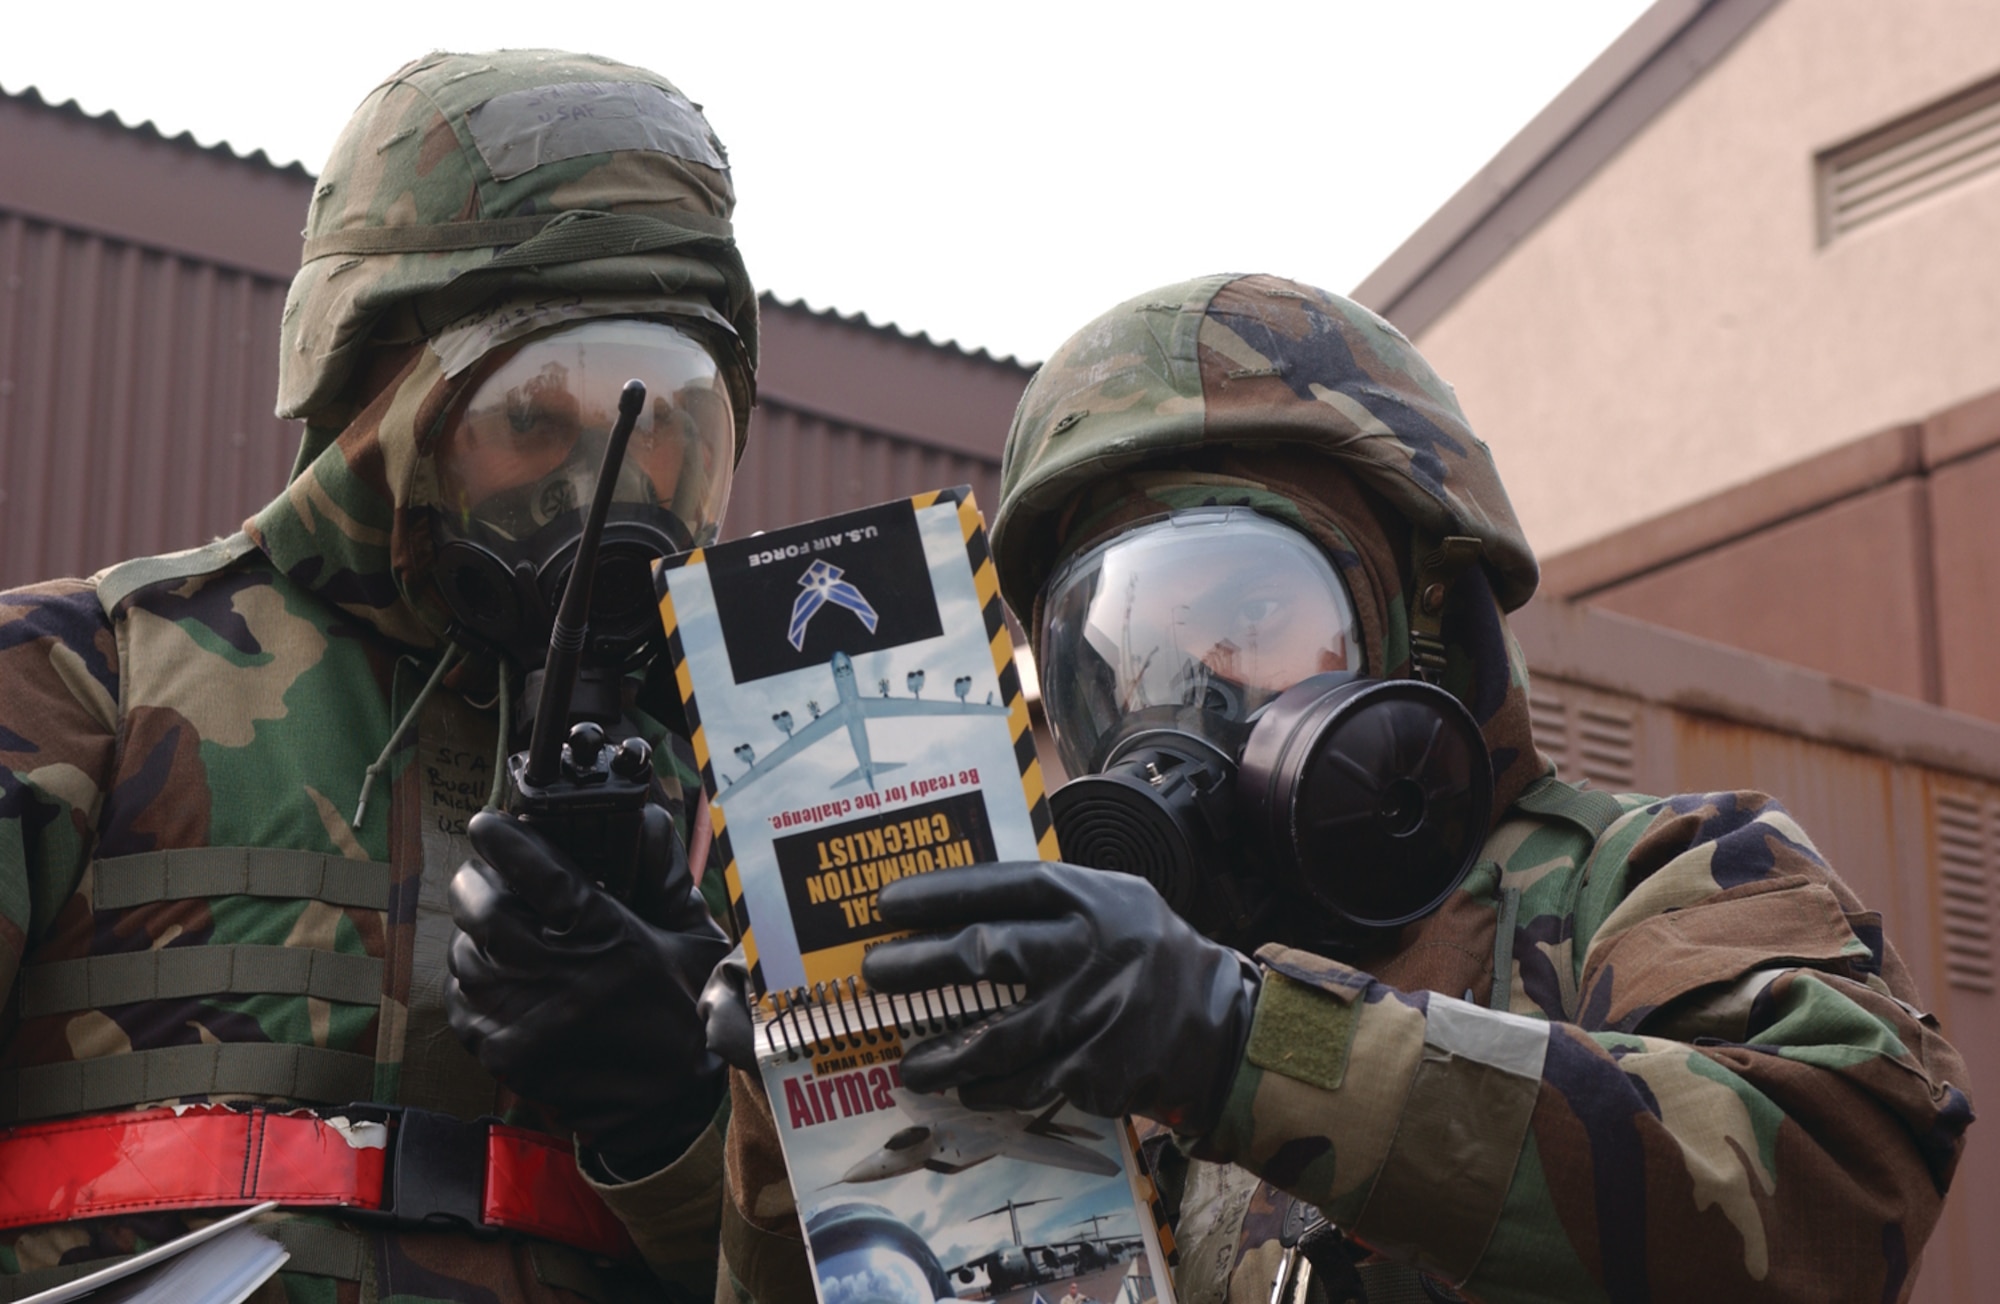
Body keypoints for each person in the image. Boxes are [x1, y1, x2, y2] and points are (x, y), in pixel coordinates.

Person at [709, 275, 1974, 1304]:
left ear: (1427, 626)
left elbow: (1836, 1178)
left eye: (1251, 614)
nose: (1181, 697)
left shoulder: (1664, 879)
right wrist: (818, 1110)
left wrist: (1238, 1038)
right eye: (1118, 651)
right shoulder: (1079, 1037)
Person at [0, 49, 755, 1302]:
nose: (608, 486)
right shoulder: (81, 683)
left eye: (666, 426)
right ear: (381, 394)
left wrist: (673, 1109)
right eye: (534, 418)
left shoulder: (752, 789)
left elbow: (895, 1262)